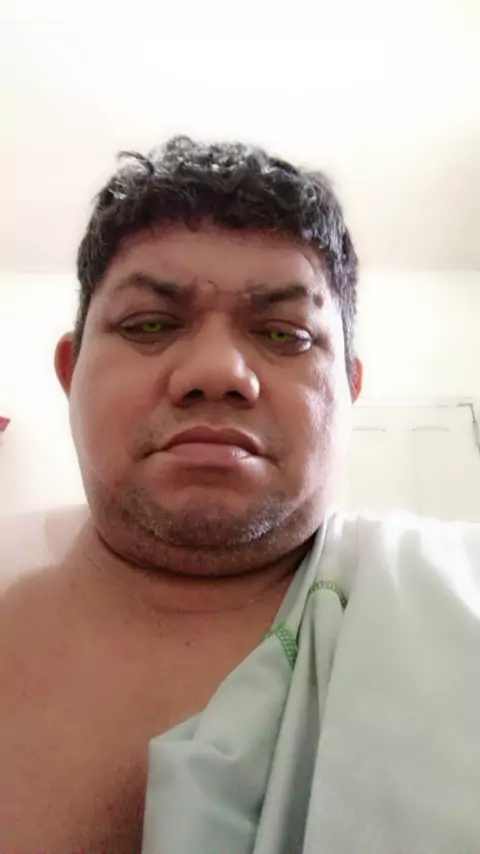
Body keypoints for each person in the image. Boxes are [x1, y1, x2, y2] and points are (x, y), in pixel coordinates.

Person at [1, 136, 479, 854]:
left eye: (285, 334)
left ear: (349, 390)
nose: (217, 371)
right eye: (149, 324)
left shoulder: (459, 604)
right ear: (71, 374)